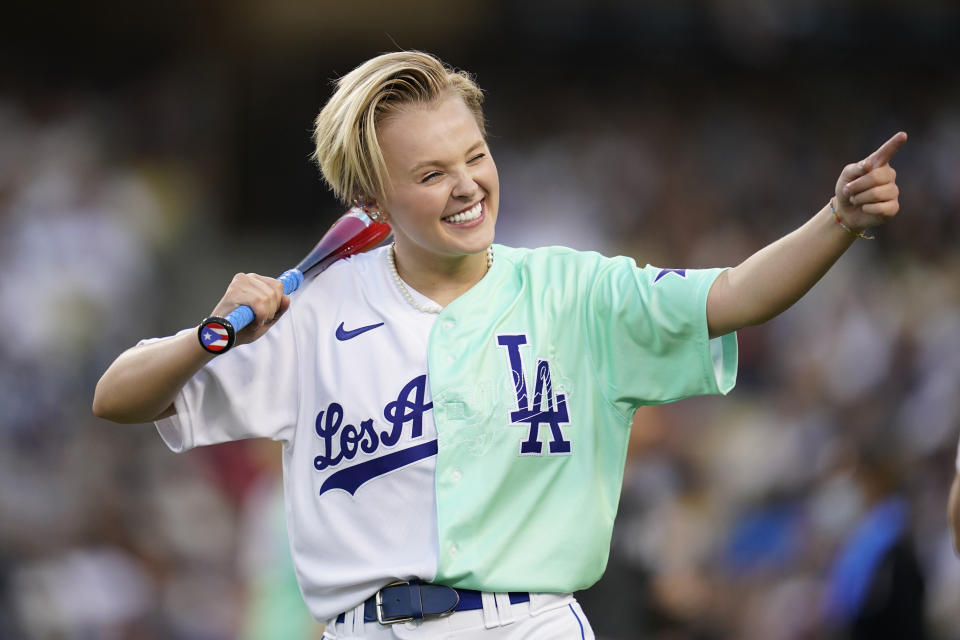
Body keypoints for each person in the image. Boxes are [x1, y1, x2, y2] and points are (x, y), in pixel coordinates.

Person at [93, 51, 906, 639]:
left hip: (529, 623)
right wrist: (208, 337)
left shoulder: (573, 289)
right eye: (431, 172)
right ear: (371, 200)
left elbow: (734, 295)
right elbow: (119, 396)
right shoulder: (311, 309)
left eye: (476, 156)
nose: (466, 185)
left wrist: (837, 221)